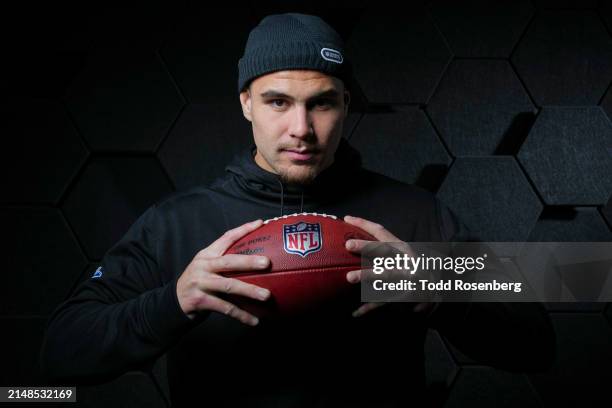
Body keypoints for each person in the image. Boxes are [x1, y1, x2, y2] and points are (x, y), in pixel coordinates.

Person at [40, 13, 555, 407]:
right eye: (278, 101)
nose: (302, 129)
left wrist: (440, 287)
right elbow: (61, 352)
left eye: (323, 103)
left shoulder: (414, 215)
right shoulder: (177, 223)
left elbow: (537, 341)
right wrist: (172, 302)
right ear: (246, 103)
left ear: (347, 103)